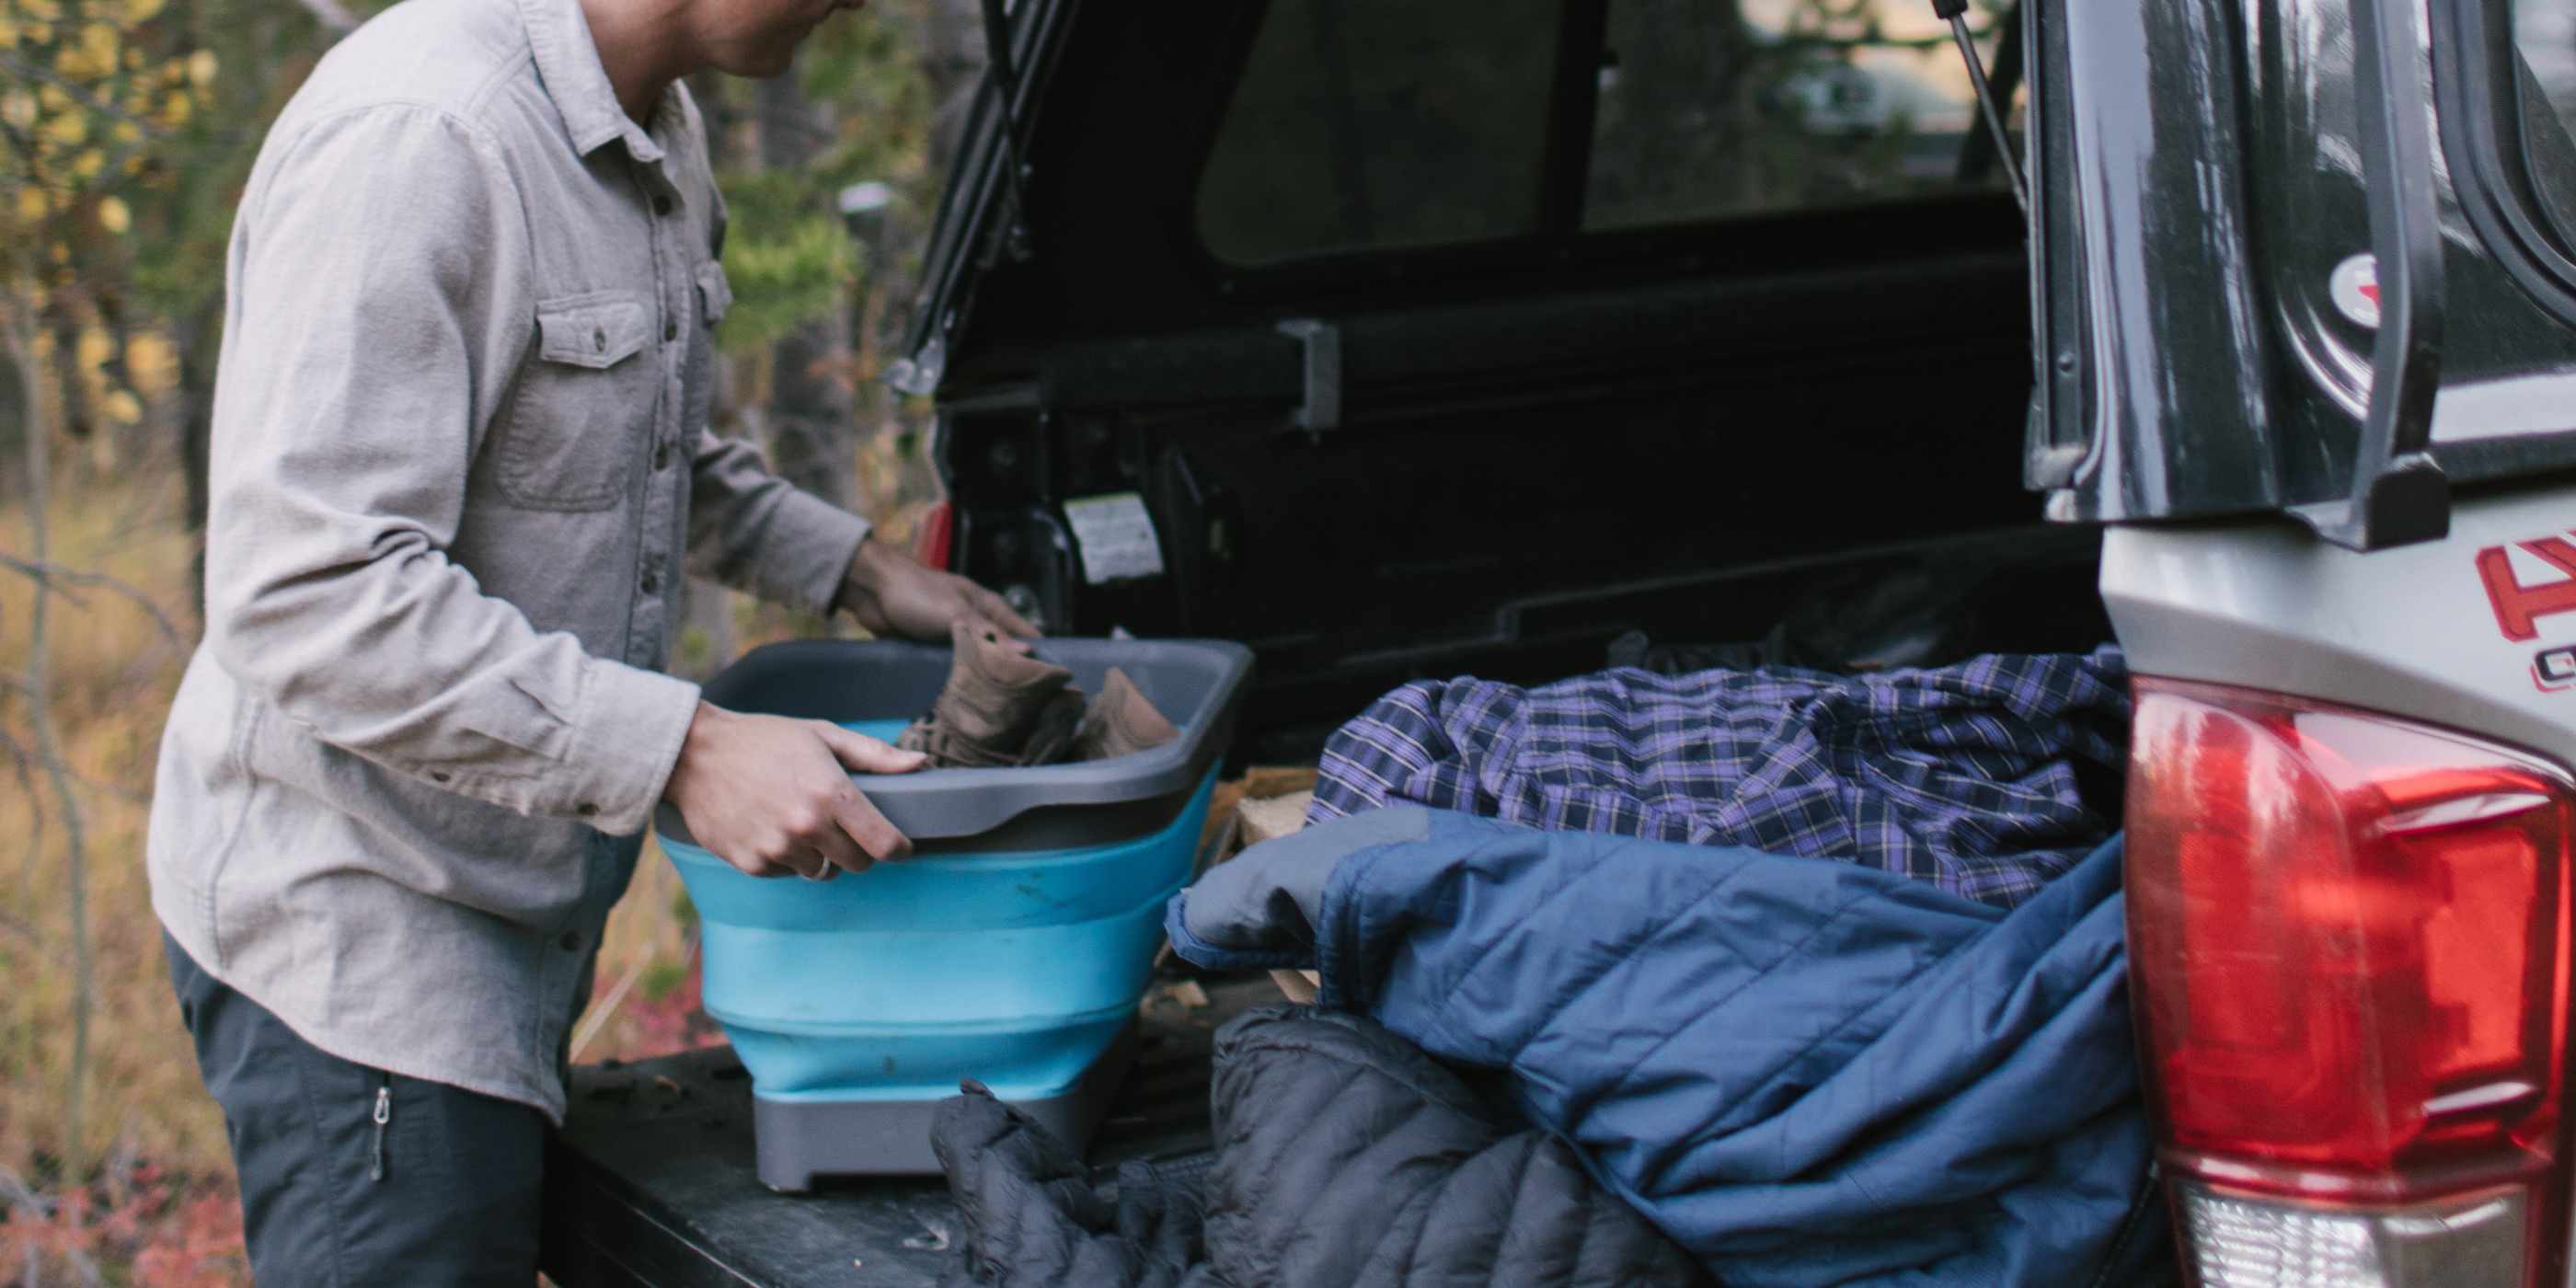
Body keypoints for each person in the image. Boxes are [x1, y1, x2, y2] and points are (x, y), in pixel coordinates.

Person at [141, 0, 1028, 1276]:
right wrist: (687, 751)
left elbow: (636, 443)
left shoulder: (651, 122)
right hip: (361, 937)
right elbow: (307, 589)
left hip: (510, 913)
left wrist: (857, 569)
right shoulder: (421, 135)